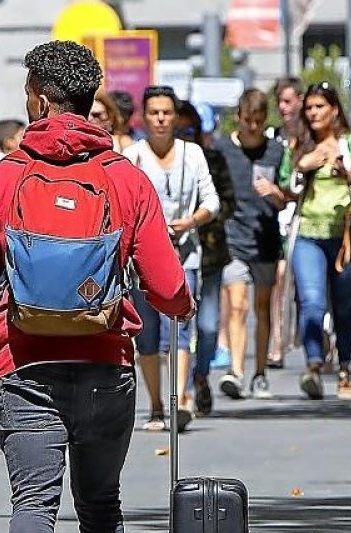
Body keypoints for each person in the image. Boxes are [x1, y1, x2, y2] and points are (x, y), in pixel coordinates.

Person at [0, 40, 194, 533]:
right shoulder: (125, 178)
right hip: (106, 362)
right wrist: (182, 310)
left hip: (25, 366)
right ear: (91, 101)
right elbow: (169, 287)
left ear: (37, 97)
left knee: (33, 504)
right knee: (100, 504)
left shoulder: (4, 179)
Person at [122, 86, 220, 432]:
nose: (161, 119)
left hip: (184, 254)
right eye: (154, 113)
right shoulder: (131, 156)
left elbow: (212, 200)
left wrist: (192, 220)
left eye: (166, 112)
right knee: (147, 334)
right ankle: (156, 405)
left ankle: (179, 399)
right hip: (142, 257)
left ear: (175, 117)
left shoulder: (192, 154)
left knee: (179, 325)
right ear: (143, 117)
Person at [279, 82, 351, 400]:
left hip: (345, 235)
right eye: (309, 108)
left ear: (335, 109)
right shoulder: (299, 144)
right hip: (308, 234)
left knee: (344, 305)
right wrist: (303, 165)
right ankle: (314, 365)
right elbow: (288, 188)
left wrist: (346, 173)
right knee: (312, 302)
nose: (314, 113)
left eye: (320, 107)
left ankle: (344, 367)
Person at [213, 89, 286, 401]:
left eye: (258, 121)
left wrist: (274, 193)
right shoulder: (222, 149)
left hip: (265, 238)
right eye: (247, 121)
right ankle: (236, 370)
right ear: (238, 118)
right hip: (233, 238)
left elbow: (287, 199)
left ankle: (260, 374)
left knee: (262, 306)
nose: (252, 127)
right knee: (238, 304)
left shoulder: (276, 151)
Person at [175, 100, 235, 416]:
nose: (183, 136)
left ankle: (201, 376)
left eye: (188, 130)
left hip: (209, 253)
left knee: (209, 326)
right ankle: (183, 390)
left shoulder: (210, 159)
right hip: (178, 255)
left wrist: (202, 217)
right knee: (181, 324)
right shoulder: (165, 163)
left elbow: (228, 201)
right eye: (178, 130)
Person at [268, 77, 304, 369]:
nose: (283, 107)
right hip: (279, 219)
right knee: (279, 279)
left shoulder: (311, 137)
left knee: (308, 286)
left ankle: (320, 340)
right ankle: (278, 342)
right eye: (279, 101)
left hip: (305, 217)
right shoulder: (273, 138)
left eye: (288, 100)